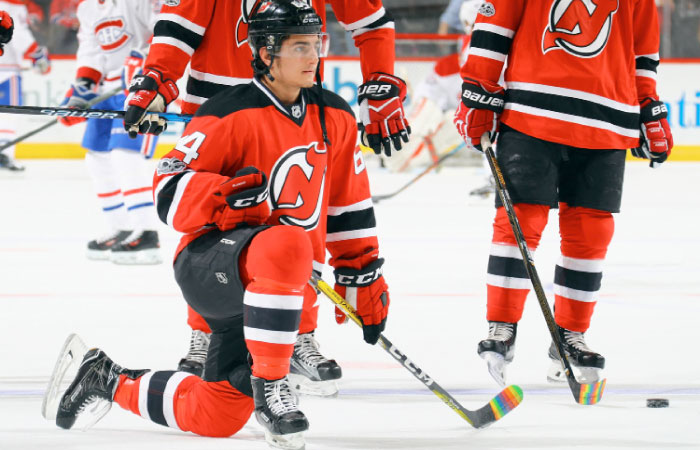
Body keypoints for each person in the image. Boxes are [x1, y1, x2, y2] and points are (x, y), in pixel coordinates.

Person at [47, 2, 390, 449]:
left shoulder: (335, 116)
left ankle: (105, 379)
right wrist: (220, 196)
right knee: (288, 243)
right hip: (214, 270)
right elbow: (168, 194)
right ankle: (272, 386)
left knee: (218, 414)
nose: (314, 58)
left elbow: (349, 207)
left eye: (316, 45)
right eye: (300, 47)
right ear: (266, 53)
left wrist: (362, 273)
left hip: (274, 284)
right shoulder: (224, 115)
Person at [122, 0, 408, 388]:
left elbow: (370, 21)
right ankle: (208, 331)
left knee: (302, 213)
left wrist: (381, 82)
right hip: (218, 106)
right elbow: (179, 25)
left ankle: (298, 332)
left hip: (294, 96)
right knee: (213, 215)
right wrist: (157, 78)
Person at [454, 0, 673, 385]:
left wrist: (647, 104)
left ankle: (570, 335)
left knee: (592, 232)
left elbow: (643, 53)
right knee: (520, 218)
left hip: (609, 116)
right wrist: (478, 85)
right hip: (530, 109)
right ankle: (502, 327)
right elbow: (494, 25)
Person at [59, 0, 162, 265]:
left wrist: (146, 63)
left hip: (139, 86)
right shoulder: (88, 7)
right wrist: (83, 86)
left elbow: (164, 31)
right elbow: (91, 51)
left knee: (124, 155)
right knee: (96, 156)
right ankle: (123, 227)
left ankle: (147, 231)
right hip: (106, 88)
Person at [0, 1, 50, 171]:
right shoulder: (13, 5)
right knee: (10, 111)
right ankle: (4, 153)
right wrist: (37, 55)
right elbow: (19, 35)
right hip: (7, 69)